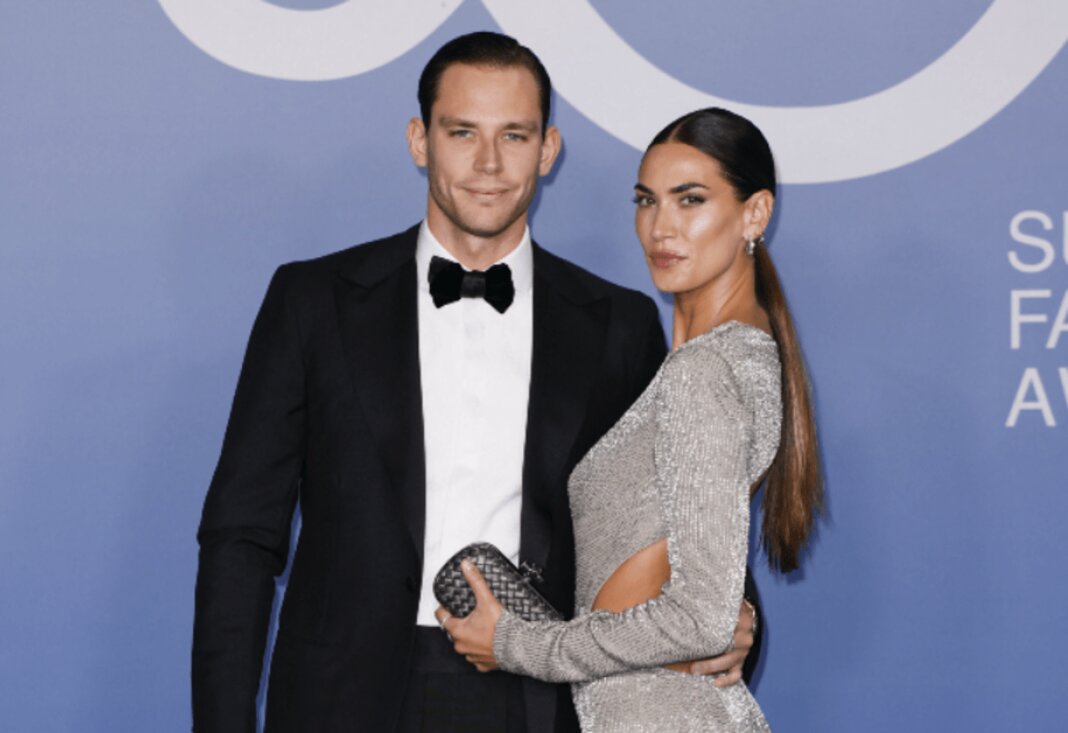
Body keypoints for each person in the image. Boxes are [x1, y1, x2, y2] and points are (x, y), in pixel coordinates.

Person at [191, 32, 760, 733]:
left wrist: (731, 610)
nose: (489, 163)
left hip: (541, 694)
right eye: (462, 132)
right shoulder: (314, 303)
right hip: (344, 698)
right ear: (419, 140)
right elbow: (241, 536)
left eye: (514, 135)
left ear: (547, 150)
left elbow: (677, 507)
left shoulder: (619, 325)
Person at [438, 107, 822, 731]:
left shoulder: (705, 370)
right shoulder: (731, 356)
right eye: (647, 201)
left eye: (690, 200)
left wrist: (517, 644)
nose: (660, 228)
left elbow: (700, 616)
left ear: (755, 214)